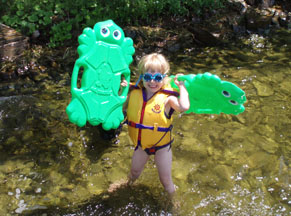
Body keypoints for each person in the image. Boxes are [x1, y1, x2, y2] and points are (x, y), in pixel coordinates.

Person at [120, 53, 190, 196]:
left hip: (162, 147)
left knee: (165, 180)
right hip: (142, 145)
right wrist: (122, 89)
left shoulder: (168, 98)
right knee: (134, 172)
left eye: (157, 78)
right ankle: (126, 187)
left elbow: (184, 107)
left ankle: (173, 202)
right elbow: (119, 107)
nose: (152, 82)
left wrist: (182, 87)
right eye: (147, 77)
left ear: (164, 78)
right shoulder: (135, 93)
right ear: (141, 76)